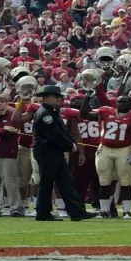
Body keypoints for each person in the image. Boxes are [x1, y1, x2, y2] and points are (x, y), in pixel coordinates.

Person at [32, 85, 93, 221]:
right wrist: (69, 145)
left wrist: (71, 142)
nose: (59, 99)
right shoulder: (45, 114)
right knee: (48, 182)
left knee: (65, 181)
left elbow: (62, 131)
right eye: (56, 97)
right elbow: (53, 134)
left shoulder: (51, 112)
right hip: (48, 150)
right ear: (46, 98)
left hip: (53, 151)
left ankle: (77, 211)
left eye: (60, 97)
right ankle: (43, 212)